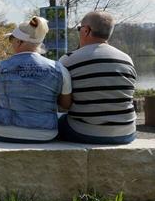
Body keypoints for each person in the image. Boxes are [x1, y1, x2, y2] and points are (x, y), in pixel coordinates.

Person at [0, 16, 73, 143]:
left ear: (19, 42)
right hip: (45, 133)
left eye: (11, 39)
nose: (11, 43)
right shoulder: (58, 68)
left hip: (4, 131)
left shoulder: (0, 67)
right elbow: (66, 104)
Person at [58, 11, 137, 144]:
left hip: (84, 132)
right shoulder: (126, 59)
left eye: (79, 29)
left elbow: (64, 103)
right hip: (126, 132)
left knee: (54, 121)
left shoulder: (68, 60)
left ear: (86, 30)